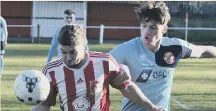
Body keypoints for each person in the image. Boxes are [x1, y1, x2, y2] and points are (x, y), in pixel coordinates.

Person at [110, 1, 216, 111]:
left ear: (164, 29)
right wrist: (115, 78)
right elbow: (100, 64)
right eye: (144, 26)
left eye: (153, 27)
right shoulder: (126, 49)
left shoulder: (175, 47)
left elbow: (204, 51)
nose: (147, 31)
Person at [32, 24, 165, 111]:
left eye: (73, 52)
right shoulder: (51, 71)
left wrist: (152, 107)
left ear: (84, 46)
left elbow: (128, 88)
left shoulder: (104, 62)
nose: (68, 57)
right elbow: (44, 105)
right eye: (63, 52)